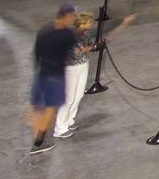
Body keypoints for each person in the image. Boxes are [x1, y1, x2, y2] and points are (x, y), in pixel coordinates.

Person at [54, 12, 136, 140]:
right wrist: (91, 47)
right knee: (69, 99)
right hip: (71, 68)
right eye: (89, 23)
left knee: (79, 95)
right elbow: (76, 49)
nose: (91, 25)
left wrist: (122, 21)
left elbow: (102, 30)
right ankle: (59, 129)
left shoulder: (86, 33)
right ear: (83, 23)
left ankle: (70, 120)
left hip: (83, 66)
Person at [28, 4, 81, 154]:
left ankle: (36, 137)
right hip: (55, 76)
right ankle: (38, 143)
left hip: (41, 73)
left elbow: (36, 53)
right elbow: (76, 50)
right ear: (67, 16)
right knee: (50, 109)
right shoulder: (66, 34)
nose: (73, 19)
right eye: (72, 16)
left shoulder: (44, 30)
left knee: (38, 108)